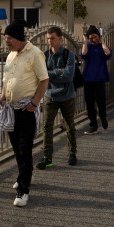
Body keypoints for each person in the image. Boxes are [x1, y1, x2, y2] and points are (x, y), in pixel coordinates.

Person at [0, 20, 48, 208]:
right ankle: (24, 175)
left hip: (26, 110)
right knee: (16, 148)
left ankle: (24, 190)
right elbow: (6, 79)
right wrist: (3, 96)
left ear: (19, 38)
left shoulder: (35, 54)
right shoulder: (11, 55)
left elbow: (44, 80)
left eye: (10, 38)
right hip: (11, 110)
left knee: (24, 148)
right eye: (6, 37)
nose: (7, 41)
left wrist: (35, 103)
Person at [37, 26, 77, 168]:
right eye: (48, 39)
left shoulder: (69, 55)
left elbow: (68, 76)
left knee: (70, 126)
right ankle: (47, 158)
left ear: (60, 39)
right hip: (50, 96)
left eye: (52, 38)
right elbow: (42, 75)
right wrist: (58, 72)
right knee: (47, 127)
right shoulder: (45, 55)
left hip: (67, 96)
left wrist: (51, 75)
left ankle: (72, 153)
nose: (50, 41)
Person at [81, 25, 112, 134]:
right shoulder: (87, 47)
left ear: (99, 37)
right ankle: (93, 124)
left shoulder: (102, 47)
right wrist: (85, 41)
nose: (93, 40)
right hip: (88, 79)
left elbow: (108, 53)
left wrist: (102, 42)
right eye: (91, 38)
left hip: (100, 79)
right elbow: (83, 54)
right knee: (89, 103)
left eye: (95, 37)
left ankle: (103, 117)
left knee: (101, 101)